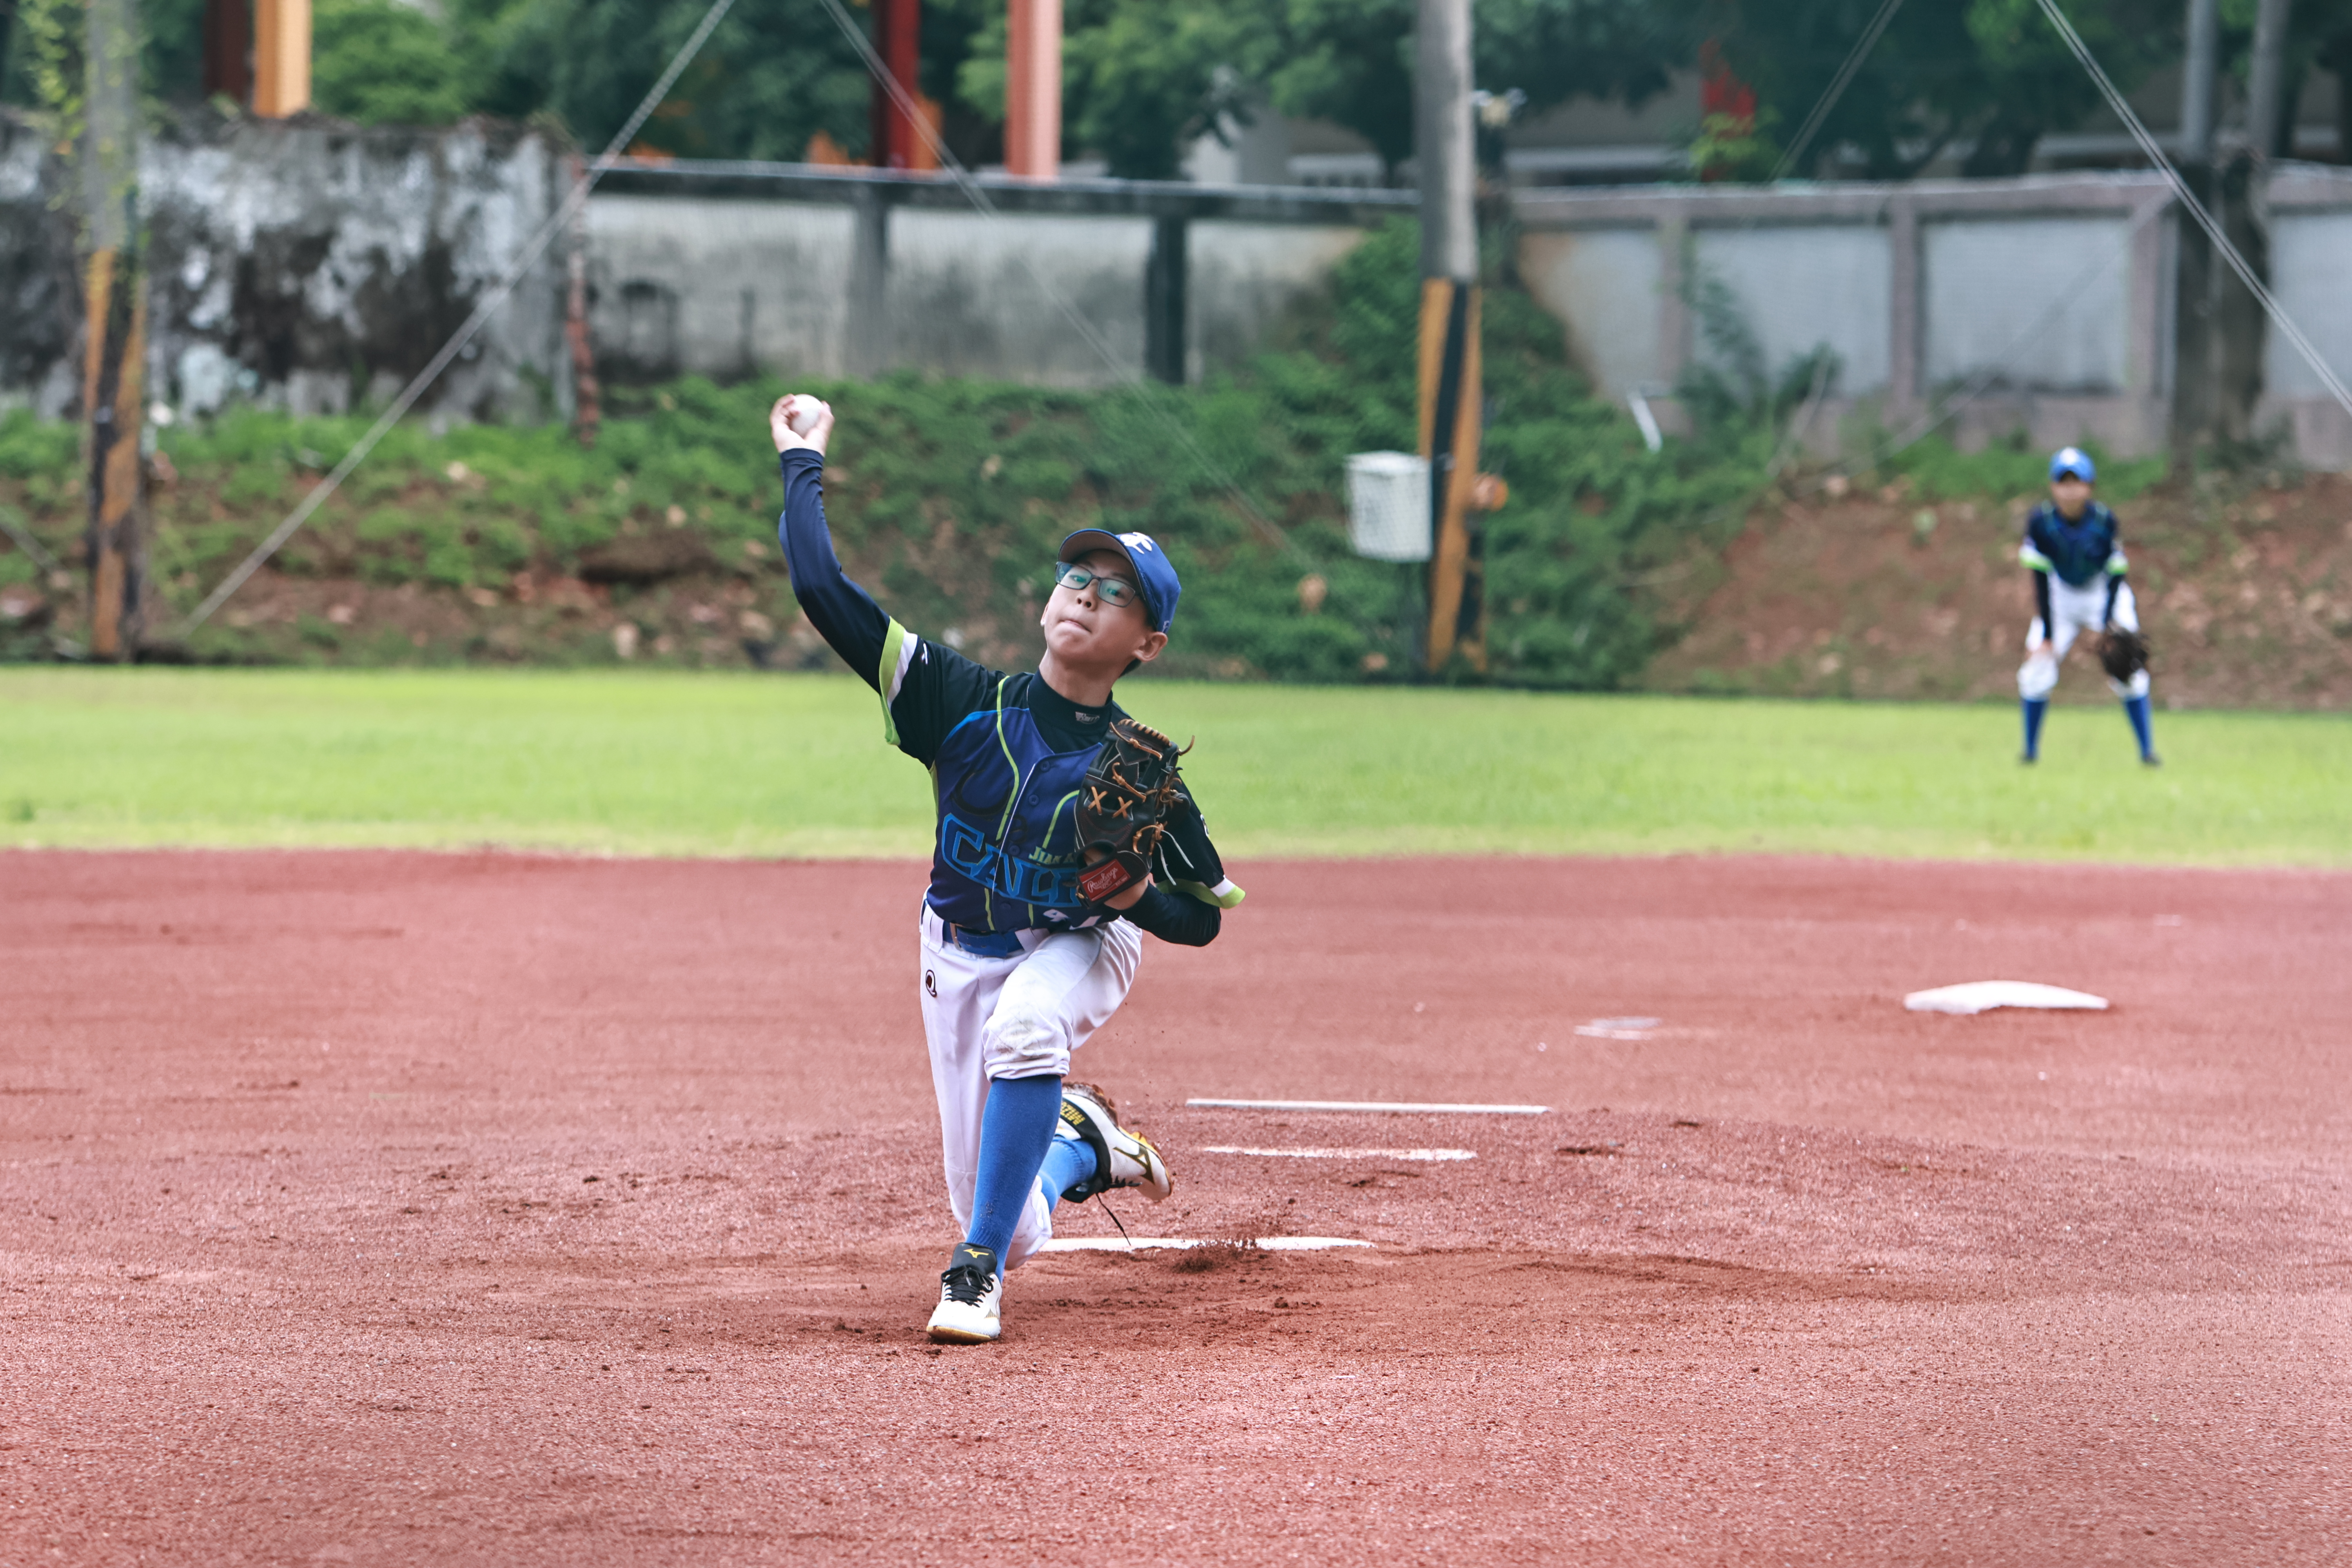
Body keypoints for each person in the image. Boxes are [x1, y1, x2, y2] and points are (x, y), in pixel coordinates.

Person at [769, 393, 1244, 1345]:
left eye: (1120, 592)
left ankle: (972, 1277)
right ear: (1049, 595)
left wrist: (1140, 895)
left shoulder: (1140, 766)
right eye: (1080, 573)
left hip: (1082, 946)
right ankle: (1082, 1149)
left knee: (1030, 1026)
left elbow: (1204, 915)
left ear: (1147, 645)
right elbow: (824, 590)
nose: (1089, 592)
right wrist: (801, 458)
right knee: (1014, 1214)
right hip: (954, 952)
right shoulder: (959, 702)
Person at [2016, 446, 2159, 766]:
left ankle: (2147, 751)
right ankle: (2030, 752)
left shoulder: (2105, 521)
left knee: (2129, 670)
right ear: (2053, 487)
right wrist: (2049, 636)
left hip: (2103, 593)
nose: (2070, 489)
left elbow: (2115, 576)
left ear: (2090, 485)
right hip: (2059, 596)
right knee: (2036, 670)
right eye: (2063, 481)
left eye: (2077, 481)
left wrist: (2107, 626)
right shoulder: (2041, 522)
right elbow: (2039, 579)